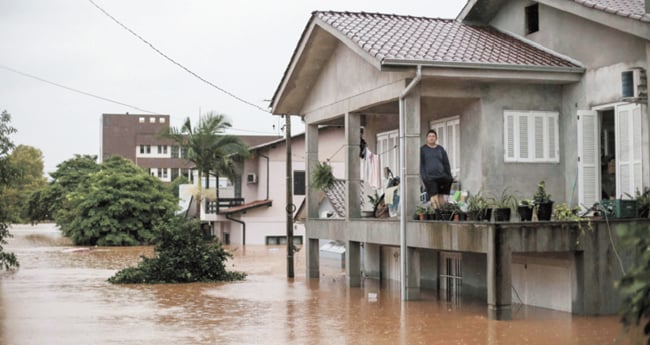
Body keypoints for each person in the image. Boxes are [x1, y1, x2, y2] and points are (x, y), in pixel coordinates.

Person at [420, 129, 453, 208]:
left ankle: (442, 214)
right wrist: (424, 177)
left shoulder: (440, 149)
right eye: (429, 136)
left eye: (433, 136)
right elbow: (421, 164)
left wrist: (449, 176)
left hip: (442, 177)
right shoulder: (422, 150)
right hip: (430, 178)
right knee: (434, 197)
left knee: (442, 197)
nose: (431, 138)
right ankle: (436, 212)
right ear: (427, 138)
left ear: (436, 138)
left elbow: (446, 163)